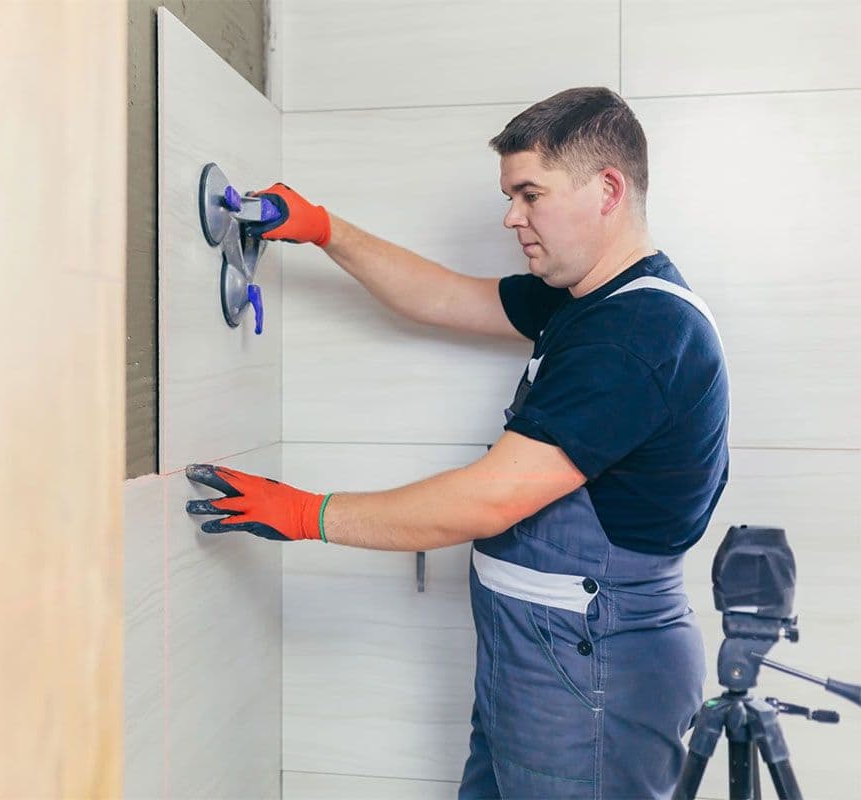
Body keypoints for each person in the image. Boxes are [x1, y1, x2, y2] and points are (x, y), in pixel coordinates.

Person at [185, 86, 730, 799]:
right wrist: (323, 229)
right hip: (540, 654)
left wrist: (306, 514)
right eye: (511, 197)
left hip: (593, 673)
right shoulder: (585, 297)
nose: (512, 217)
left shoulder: (639, 334)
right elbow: (440, 296)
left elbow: (487, 501)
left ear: (607, 190)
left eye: (530, 195)